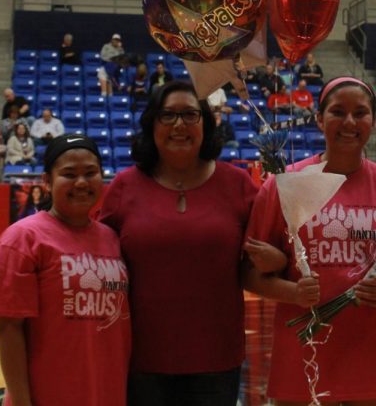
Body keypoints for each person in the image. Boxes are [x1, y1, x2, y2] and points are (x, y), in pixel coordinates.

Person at [245, 76, 376, 405]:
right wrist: (293, 292)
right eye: (338, 112)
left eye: (361, 113)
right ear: (319, 119)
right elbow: (249, 273)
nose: (349, 122)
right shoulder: (284, 185)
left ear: (373, 121)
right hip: (304, 360)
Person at [98, 80, 283, 406]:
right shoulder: (124, 188)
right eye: (167, 115)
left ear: (206, 123)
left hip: (216, 359)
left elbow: (270, 253)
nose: (179, 124)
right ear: (152, 123)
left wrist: (278, 260)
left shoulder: (237, 185)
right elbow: (95, 260)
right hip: (142, 359)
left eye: (190, 115)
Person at [0, 133, 131, 406]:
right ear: (47, 182)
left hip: (108, 395)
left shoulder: (113, 238)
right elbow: (9, 330)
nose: (81, 182)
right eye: (69, 174)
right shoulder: (22, 239)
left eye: (91, 172)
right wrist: (20, 401)